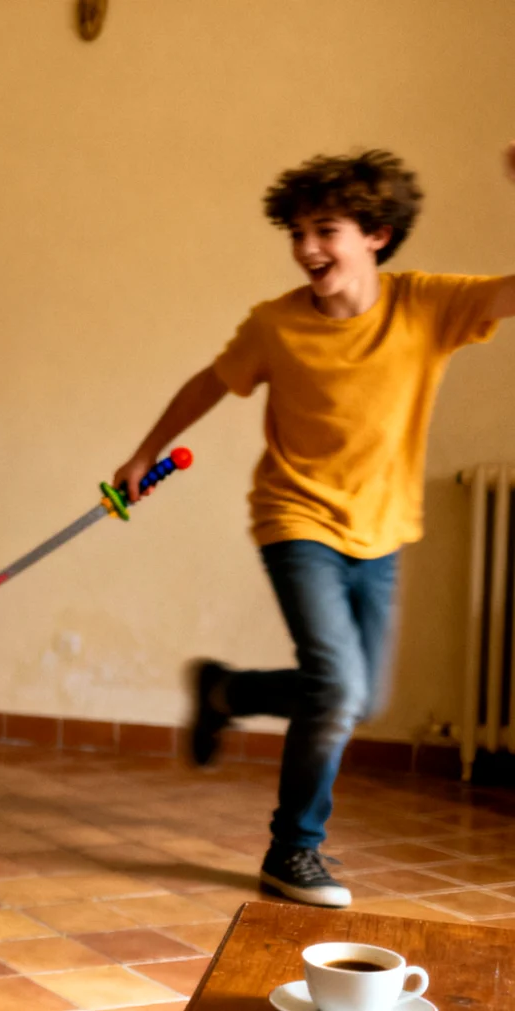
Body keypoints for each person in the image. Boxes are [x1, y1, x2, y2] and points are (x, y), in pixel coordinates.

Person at [111, 146, 515, 908]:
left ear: (378, 234)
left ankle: (227, 691)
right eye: (296, 233)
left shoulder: (427, 304)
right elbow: (209, 382)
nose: (306, 250)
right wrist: (144, 454)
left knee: (360, 698)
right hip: (294, 517)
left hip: (384, 529)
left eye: (325, 230)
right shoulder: (275, 325)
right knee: (336, 687)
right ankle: (292, 849)